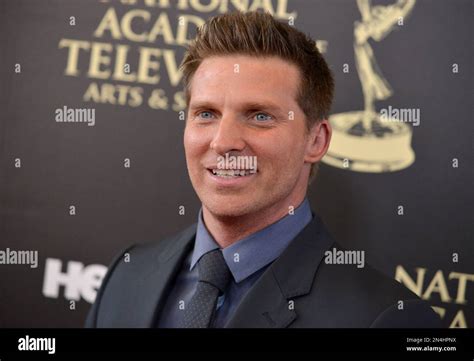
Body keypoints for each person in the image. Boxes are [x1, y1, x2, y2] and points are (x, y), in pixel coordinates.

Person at [85, 11, 441, 328]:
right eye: (206, 114)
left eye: (259, 116)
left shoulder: (386, 317)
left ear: (316, 141)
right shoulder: (127, 273)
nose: (224, 142)